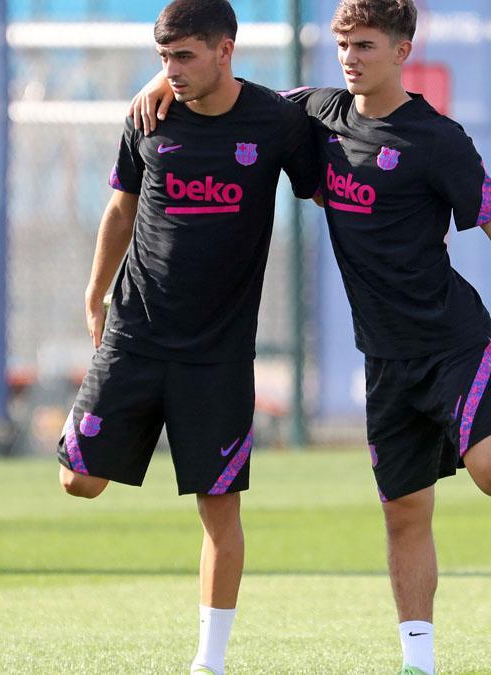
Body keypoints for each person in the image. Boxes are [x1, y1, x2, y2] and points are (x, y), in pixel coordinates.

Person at [131, 1, 491, 672]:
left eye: (365, 45)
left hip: (449, 340)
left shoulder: (437, 139)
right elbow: (232, 92)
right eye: (343, 44)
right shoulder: (317, 113)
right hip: (383, 359)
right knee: (405, 515)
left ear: (402, 50)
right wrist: (158, 83)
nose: (350, 57)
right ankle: (419, 662)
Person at [55, 1, 318, 672]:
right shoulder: (149, 115)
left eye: (183, 57)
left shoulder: (276, 120)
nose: (170, 71)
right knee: (77, 483)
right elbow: (121, 208)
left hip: (218, 355)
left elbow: (324, 172)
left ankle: (210, 661)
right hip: (136, 336)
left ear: (225, 51)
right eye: (161, 58)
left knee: (218, 512)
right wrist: (95, 294)